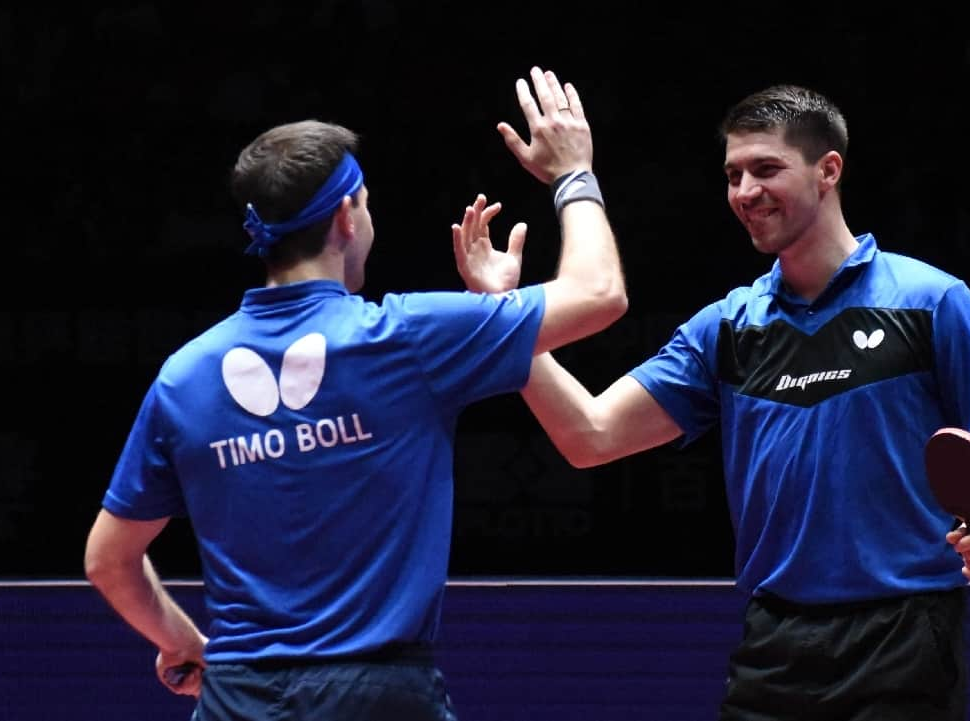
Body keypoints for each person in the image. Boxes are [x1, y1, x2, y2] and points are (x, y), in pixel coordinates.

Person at [456, 84, 970, 720]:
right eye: (733, 175)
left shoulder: (930, 300)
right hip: (774, 642)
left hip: (903, 636)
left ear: (828, 171)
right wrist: (504, 316)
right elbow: (590, 435)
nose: (745, 193)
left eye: (766, 170)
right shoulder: (729, 327)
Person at [83, 66, 625, 720]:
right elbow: (600, 294)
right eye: (366, 203)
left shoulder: (184, 375)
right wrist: (574, 172)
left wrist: (184, 642)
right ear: (347, 215)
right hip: (381, 698)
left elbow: (109, 560)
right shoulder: (405, 337)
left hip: (238, 698)